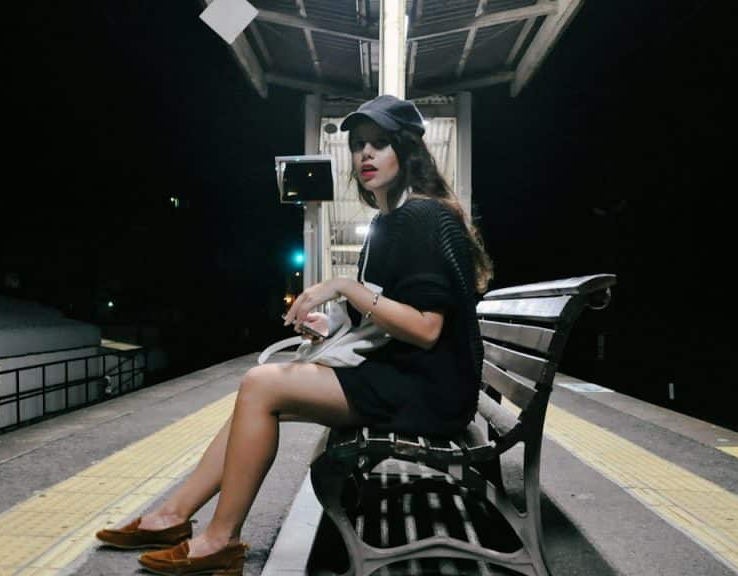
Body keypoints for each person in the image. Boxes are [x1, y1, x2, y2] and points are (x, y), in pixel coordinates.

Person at [95, 94, 494, 575]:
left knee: (261, 385)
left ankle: (219, 540)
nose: (365, 155)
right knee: (258, 392)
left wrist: (344, 284)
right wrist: (329, 323)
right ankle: (172, 515)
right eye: (358, 145)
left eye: (380, 144)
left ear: (407, 152)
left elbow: (428, 329)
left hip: (429, 391)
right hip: (406, 378)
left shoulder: (424, 217)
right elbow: (386, 317)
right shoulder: (393, 222)